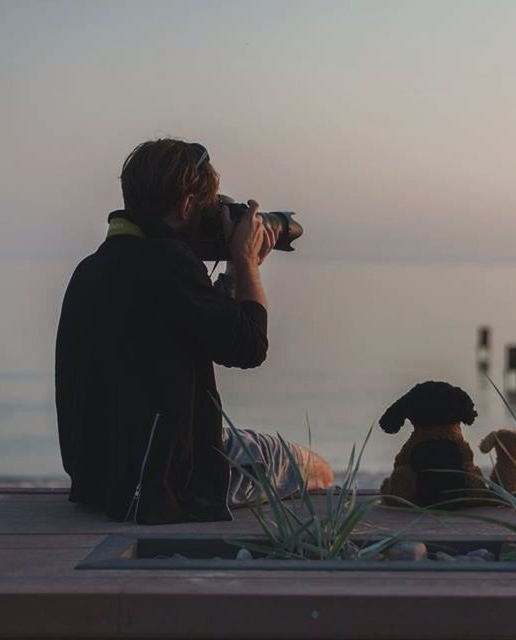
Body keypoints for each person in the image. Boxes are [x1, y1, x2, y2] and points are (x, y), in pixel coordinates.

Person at [55, 138, 333, 524]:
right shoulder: (168, 264)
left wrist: (233, 274)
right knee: (311, 465)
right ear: (187, 205)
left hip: (98, 477)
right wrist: (247, 262)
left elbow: (190, 321)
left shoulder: (93, 268)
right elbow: (249, 347)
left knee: (246, 443)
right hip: (161, 481)